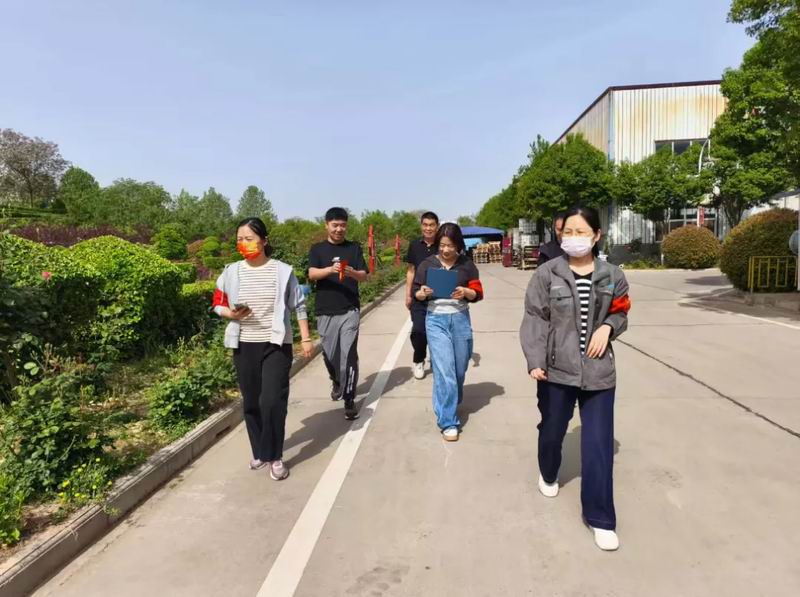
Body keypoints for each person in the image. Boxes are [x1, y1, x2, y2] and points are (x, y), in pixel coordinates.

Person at [520, 205, 631, 551]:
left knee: (598, 443)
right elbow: (535, 318)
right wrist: (535, 359)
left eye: (581, 232)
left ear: (596, 235)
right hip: (556, 370)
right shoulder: (547, 273)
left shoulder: (612, 275)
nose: (574, 238)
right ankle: (548, 470)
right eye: (568, 232)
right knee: (552, 430)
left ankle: (600, 518)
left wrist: (608, 327)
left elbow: (621, 311)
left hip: (599, 371)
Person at [212, 217, 313, 481]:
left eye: (249, 239)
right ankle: (259, 452)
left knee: (272, 401)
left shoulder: (283, 271)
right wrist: (230, 314)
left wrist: (305, 338)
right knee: (252, 402)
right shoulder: (231, 272)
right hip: (244, 344)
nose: (243, 244)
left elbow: (298, 305)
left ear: (264, 241)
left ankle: (275, 456)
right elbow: (218, 302)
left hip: (275, 344)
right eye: (239, 239)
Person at [413, 223, 483, 442]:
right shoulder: (427, 265)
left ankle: (448, 400)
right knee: (445, 371)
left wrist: (466, 291)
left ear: (458, 245)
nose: (445, 250)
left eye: (450, 246)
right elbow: (416, 292)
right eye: (442, 245)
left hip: (460, 318)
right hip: (436, 320)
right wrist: (422, 293)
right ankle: (448, 421)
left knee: (459, 370)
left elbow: (478, 293)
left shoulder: (467, 265)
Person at [308, 207, 369, 420]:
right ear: (326, 225)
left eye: (343, 225)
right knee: (330, 355)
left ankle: (349, 399)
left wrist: (353, 272)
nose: (339, 229)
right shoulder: (317, 249)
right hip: (325, 311)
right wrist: (330, 270)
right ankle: (336, 380)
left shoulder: (354, 248)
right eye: (335, 225)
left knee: (348, 355)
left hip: (349, 309)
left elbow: (364, 275)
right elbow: (312, 273)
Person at [405, 211, 439, 380]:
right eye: (425, 225)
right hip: (418, 295)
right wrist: (408, 294)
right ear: (421, 226)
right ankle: (418, 360)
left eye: (431, 225)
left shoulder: (443, 244)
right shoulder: (414, 245)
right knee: (419, 330)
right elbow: (411, 271)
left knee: (437, 330)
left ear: (437, 226)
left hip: (438, 296)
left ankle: (435, 357)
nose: (428, 228)